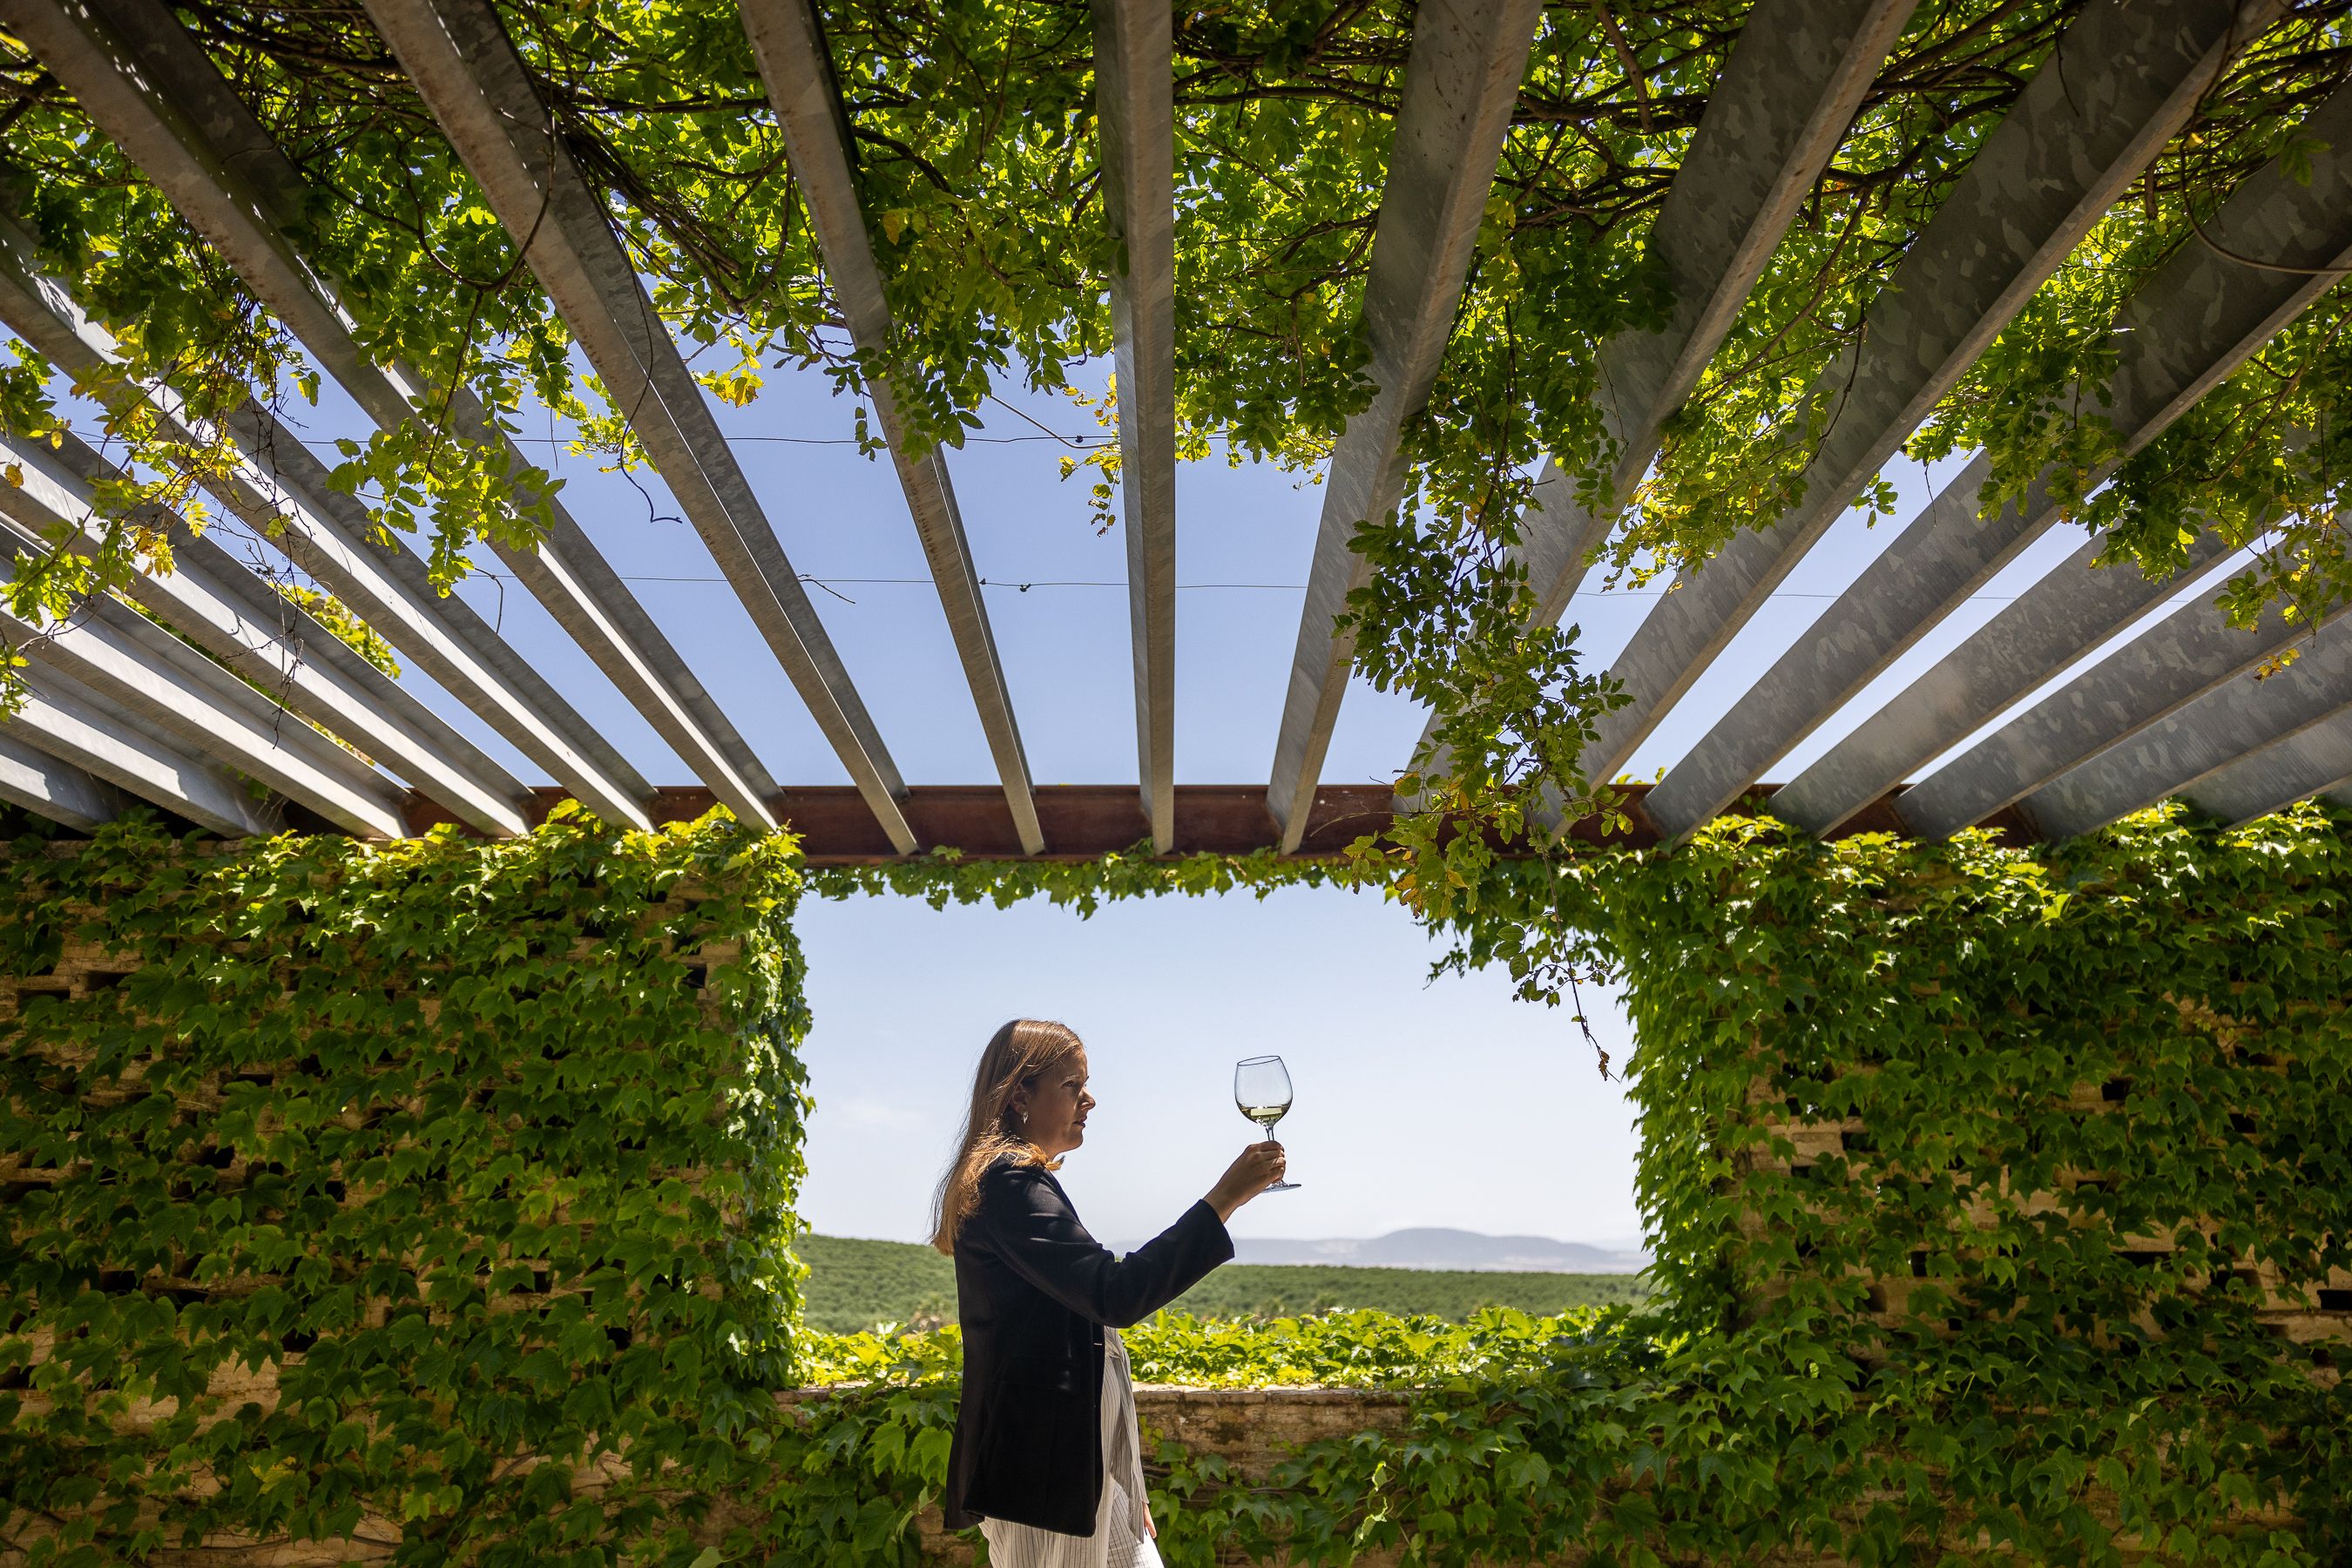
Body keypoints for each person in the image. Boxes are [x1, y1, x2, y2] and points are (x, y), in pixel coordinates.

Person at [931, 1018, 1285, 1568]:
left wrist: (1120, 1476)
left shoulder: (1019, 1181)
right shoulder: (1007, 1183)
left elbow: (1081, 1323)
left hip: (1077, 1471)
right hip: (1041, 1482)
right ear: (1020, 1093)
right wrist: (1222, 1200)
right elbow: (1114, 1293)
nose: (1090, 1100)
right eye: (1073, 1086)